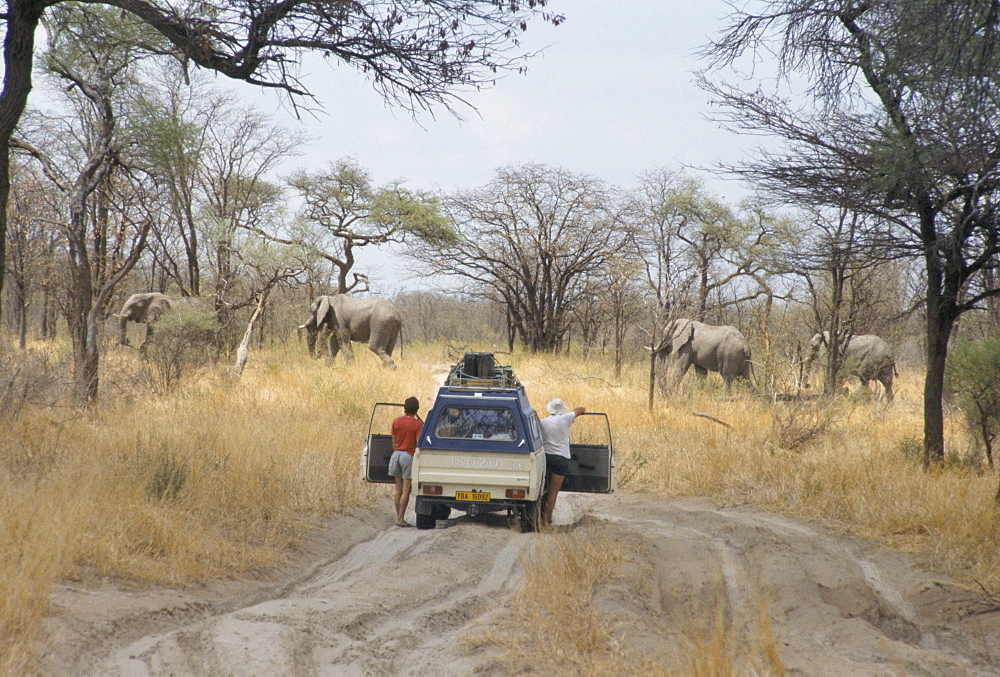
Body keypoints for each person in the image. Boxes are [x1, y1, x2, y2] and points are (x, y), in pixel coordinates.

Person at [539, 397, 586, 526]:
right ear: (562, 410)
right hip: (561, 459)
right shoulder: (565, 418)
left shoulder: (542, 422)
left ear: (550, 409)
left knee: (542, 488)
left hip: (546, 458)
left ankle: (537, 514)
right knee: (553, 491)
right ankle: (546, 519)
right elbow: (581, 409)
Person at [389, 396, 422, 527]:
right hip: (408, 455)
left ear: (404, 408)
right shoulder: (417, 424)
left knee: (398, 489)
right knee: (406, 489)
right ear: (417, 409)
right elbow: (418, 442)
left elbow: (393, 439)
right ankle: (401, 519)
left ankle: (399, 517)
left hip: (395, 454)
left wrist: (396, 450)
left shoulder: (396, 421)